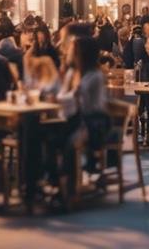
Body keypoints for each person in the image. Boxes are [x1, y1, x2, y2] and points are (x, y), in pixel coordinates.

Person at [49, 36, 109, 205]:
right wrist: (58, 97)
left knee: (68, 143)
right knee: (49, 137)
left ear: (82, 53)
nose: (68, 52)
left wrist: (57, 99)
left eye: (72, 49)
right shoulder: (71, 72)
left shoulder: (94, 76)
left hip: (93, 120)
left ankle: (69, 189)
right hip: (73, 118)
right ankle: (56, 183)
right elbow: (64, 95)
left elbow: (77, 98)